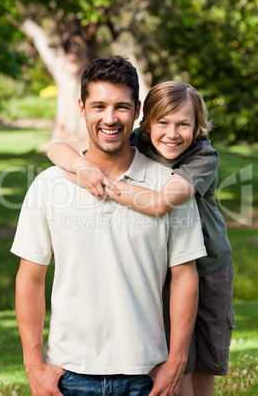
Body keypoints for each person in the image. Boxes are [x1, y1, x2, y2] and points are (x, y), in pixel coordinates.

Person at [12, 56, 207, 396]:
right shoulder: (49, 185)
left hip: (148, 374)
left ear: (137, 110)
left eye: (121, 107)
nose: (110, 118)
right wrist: (34, 366)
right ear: (82, 108)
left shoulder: (168, 187)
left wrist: (176, 362)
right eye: (99, 106)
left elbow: (184, 276)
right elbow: (30, 277)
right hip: (68, 374)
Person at [47, 80, 235, 395]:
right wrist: (81, 167)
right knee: (179, 358)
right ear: (146, 123)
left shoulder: (203, 156)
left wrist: (101, 182)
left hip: (209, 268)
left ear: (197, 126)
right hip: (165, 267)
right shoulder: (138, 142)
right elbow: (56, 149)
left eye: (183, 125)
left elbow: (161, 202)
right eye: (163, 122)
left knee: (207, 360)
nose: (172, 134)